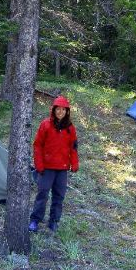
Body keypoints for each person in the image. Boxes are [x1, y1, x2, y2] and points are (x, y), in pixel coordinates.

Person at [29, 96, 79, 233]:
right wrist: (39, 165)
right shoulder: (45, 124)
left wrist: (74, 163)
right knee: (42, 194)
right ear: (54, 110)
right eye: (58, 109)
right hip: (46, 168)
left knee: (59, 196)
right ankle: (35, 220)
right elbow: (37, 145)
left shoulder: (70, 128)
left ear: (67, 111)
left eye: (63, 110)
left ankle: (54, 221)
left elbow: (73, 147)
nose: (60, 112)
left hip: (62, 169)